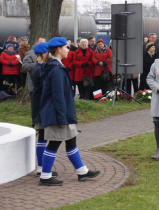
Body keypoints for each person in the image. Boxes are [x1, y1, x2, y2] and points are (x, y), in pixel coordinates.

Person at [39, 37, 100, 186]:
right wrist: (61, 118)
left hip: (62, 112)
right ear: (59, 50)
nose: (69, 50)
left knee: (71, 140)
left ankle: (81, 170)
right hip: (58, 113)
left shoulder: (55, 66)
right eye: (66, 47)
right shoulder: (56, 69)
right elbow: (58, 96)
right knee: (53, 143)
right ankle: (45, 176)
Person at [30, 42, 58, 177]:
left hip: (40, 105)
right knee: (42, 136)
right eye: (48, 53)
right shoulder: (39, 69)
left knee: (42, 136)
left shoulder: (40, 68)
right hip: (40, 105)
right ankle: (41, 167)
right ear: (43, 54)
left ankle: (41, 167)